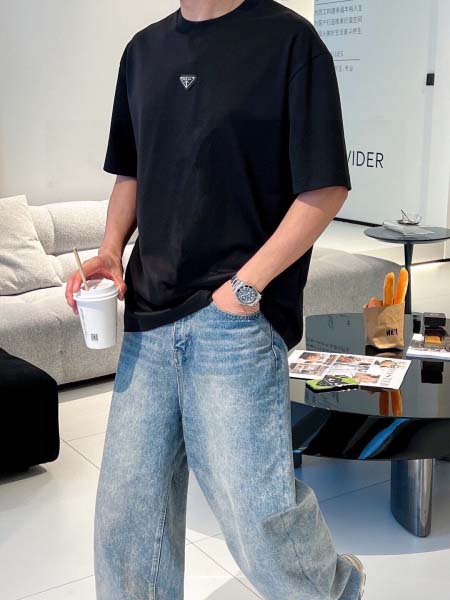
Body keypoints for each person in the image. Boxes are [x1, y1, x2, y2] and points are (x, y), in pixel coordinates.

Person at [66, 1, 366, 598]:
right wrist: (109, 251)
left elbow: (325, 186)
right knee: (126, 524)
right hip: (147, 318)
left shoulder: (291, 43)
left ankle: (340, 590)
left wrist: (245, 288)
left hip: (235, 322)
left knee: (259, 523)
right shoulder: (143, 51)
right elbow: (131, 173)